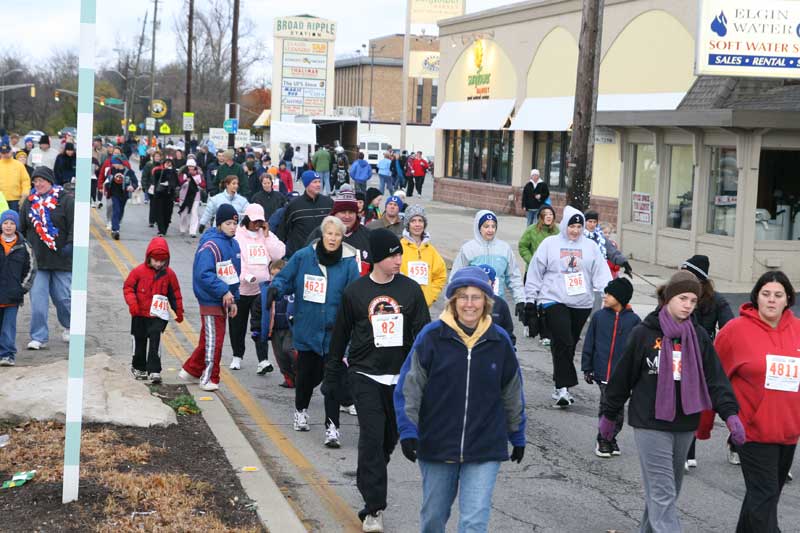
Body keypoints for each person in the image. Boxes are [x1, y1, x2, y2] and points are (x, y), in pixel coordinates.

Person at [601, 271, 743, 533]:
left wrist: (731, 414)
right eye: (682, 298)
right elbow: (622, 378)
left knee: (667, 491)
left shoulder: (698, 336)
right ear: (668, 299)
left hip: (685, 422)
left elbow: (716, 380)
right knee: (663, 491)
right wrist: (609, 416)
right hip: (650, 422)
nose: (688, 305)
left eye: (692, 300)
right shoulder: (643, 333)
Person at [394, 266, 526, 533]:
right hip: (437, 443)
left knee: (474, 521)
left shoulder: (499, 341)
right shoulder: (431, 337)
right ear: (453, 300)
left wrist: (517, 434)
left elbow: (512, 391)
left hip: (485, 444)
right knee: (433, 517)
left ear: (486, 302)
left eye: (476, 297)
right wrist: (408, 430)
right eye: (462, 296)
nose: (469, 304)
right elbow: (410, 387)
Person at [328, 228, 431, 532]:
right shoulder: (355, 292)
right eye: (392, 254)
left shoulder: (411, 291)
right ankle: (374, 508)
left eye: (400, 253)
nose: (399, 259)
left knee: (387, 442)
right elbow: (340, 336)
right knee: (372, 439)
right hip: (364, 374)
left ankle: (368, 476)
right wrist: (333, 373)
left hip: (399, 379)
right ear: (376, 258)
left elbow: (424, 334)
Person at [713, 271, 800, 533]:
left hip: (788, 431)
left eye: (778, 295)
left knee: (763, 496)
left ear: (788, 300)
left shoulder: (798, 330)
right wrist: (702, 423)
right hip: (750, 430)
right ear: (756, 297)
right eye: (766, 294)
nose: (771, 300)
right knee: (764, 495)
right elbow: (714, 378)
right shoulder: (735, 331)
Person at [267, 216, 360, 444]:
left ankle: (332, 429)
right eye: (329, 234)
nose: (333, 238)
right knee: (306, 377)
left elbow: (354, 295)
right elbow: (285, 279)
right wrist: (275, 289)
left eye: (337, 235)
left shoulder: (348, 262)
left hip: (334, 332)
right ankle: (301, 411)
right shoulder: (304, 257)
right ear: (322, 234)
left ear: (341, 238)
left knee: (332, 383)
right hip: (307, 328)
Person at [524, 206, 612, 407]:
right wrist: (530, 300)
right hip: (553, 298)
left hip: (581, 302)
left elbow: (601, 273)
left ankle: (559, 386)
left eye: (579, 226)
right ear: (564, 225)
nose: (575, 230)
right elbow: (536, 271)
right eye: (572, 226)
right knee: (564, 339)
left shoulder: (590, 247)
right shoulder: (550, 244)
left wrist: (609, 295)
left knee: (568, 344)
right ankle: (565, 386)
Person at [680, 254, 736, 468]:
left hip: (702, 356)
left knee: (693, 402)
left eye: (687, 273)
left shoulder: (716, 300)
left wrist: (713, 345)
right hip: (678, 352)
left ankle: (688, 451)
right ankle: (687, 452)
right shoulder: (678, 295)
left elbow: (730, 327)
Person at [180, 204, 241, 392]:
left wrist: (234, 298)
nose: (233, 226)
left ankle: (190, 370)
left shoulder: (234, 244)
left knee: (209, 339)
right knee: (215, 341)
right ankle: (208, 378)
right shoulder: (211, 246)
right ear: (219, 224)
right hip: (211, 299)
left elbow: (233, 274)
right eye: (228, 223)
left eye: (235, 223)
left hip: (225, 298)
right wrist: (223, 291)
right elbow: (203, 274)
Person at [581, 277, 641, 457]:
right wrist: (587, 367)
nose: (605, 296)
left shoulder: (634, 321)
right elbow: (589, 343)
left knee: (619, 411)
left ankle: (611, 437)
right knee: (607, 407)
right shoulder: (599, 317)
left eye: (609, 294)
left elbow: (637, 351)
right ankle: (603, 439)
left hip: (622, 377)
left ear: (620, 298)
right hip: (602, 373)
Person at [19, 166, 74, 350]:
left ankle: (69, 327)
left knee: (63, 298)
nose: (38, 184)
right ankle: (39, 337)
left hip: (61, 260)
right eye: (35, 181)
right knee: (38, 302)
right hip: (38, 261)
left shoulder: (65, 199)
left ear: (50, 181)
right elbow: (23, 228)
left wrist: (70, 245)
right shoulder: (29, 202)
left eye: (41, 180)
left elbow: (74, 225)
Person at [229, 204, 285, 373]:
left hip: (261, 290)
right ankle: (237, 356)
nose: (256, 224)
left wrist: (267, 235)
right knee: (237, 325)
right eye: (254, 221)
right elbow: (237, 259)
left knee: (261, 324)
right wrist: (246, 276)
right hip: (242, 289)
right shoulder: (238, 236)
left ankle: (263, 360)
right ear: (246, 219)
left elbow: (279, 254)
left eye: (260, 221)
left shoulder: (265, 235)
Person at [123, 237, 184, 383]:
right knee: (139, 340)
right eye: (155, 260)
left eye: (162, 261)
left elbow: (175, 294)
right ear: (148, 258)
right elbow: (128, 288)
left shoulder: (169, 275)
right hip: (139, 314)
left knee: (155, 341)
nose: (158, 264)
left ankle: (154, 370)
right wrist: (133, 305)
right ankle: (139, 367)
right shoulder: (138, 271)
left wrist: (179, 311)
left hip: (158, 315)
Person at [452, 209, 525, 314]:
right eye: (486, 226)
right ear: (479, 228)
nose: (490, 230)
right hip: (473, 306)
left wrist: (520, 300)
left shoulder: (504, 249)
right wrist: (453, 303)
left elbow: (514, 276)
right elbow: (456, 277)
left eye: (493, 226)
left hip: (498, 303)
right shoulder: (468, 249)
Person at [305, 185, 372, 274]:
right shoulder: (320, 233)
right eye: (343, 212)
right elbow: (305, 262)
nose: (347, 216)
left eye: (351, 212)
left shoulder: (367, 235)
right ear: (335, 213)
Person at [251, 259, 297, 386]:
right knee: (280, 356)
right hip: (275, 328)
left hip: (290, 328)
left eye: (278, 275)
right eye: (272, 275)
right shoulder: (266, 292)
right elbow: (257, 311)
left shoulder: (293, 289)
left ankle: (302, 374)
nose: (274, 278)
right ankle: (289, 378)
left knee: (289, 349)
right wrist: (256, 329)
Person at [0, 210, 35, 366]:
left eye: (12, 223)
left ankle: (7, 354)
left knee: (8, 327)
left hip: (12, 296)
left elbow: (32, 269)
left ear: (17, 226)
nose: (8, 226)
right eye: (5, 223)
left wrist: (22, 288)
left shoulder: (24, 246)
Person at [277, 170, 333, 257]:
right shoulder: (294, 205)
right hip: (301, 254)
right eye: (314, 182)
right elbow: (283, 230)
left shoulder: (328, 203)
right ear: (306, 185)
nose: (318, 185)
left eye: (319, 181)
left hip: (324, 253)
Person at [399, 205, 446, 307]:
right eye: (413, 221)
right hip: (403, 304)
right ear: (408, 224)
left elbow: (440, 275)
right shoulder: (399, 248)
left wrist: (431, 296)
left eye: (420, 221)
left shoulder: (431, 250)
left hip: (424, 306)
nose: (417, 224)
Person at [475, 264, 517, 346]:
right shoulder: (466, 304)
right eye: (479, 281)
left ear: (493, 284)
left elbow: (508, 332)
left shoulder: (501, 304)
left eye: (485, 282)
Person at [584, 210, 632, 278]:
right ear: (584, 222)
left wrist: (623, 262)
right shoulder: (579, 236)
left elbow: (612, 251)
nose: (592, 224)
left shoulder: (600, 237)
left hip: (598, 272)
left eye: (594, 222)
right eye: (590, 222)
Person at [104, 157, 138, 240]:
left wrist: (132, 186)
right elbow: (107, 180)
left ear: (119, 163)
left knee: (121, 211)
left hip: (124, 195)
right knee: (116, 210)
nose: (113, 165)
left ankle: (115, 225)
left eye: (114, 163)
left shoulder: (129, 172)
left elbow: (135, 182)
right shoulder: (112, 170)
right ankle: (116, 230)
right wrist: (106, 188)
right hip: (114, 194)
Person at [177, 158, 206, 238]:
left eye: (192, 166)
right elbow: (179, 183)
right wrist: (186, 181)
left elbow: (203, 185)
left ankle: (192, 231)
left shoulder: (199, 175)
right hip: (184, 196)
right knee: (184, 213)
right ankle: (183, 228)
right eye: (189, 166)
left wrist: (198, 184)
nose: (190, 168)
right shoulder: (183, 174)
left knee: (194, 213)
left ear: (195, 167)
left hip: (195, 196)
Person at [151, 157, 179, 237]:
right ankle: (161, 230)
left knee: (168, 213)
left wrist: (170, 171)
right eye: (167, 163)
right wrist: (165, 170)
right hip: (160, 194)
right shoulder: (159, 171)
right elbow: (156, 177)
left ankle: (165, 228)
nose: (168, 165)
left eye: (170, 163)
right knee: (159, 212)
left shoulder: (174, 173)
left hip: (169, 195)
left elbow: (176, 183)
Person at [0, 141, 30, 211]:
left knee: (16, 220)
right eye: (3, 153)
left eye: (7, 152)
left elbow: (25, 181)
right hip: (1, 199)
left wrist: (25, 194)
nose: (5, 154)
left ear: (11, 152)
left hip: (16, 200)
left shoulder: (19, 165)